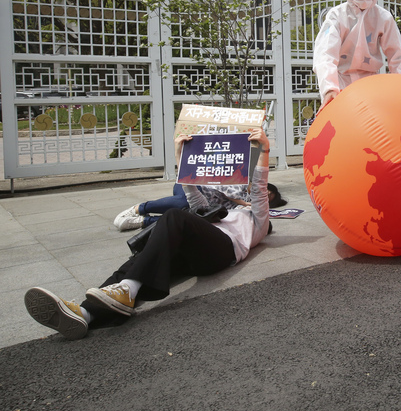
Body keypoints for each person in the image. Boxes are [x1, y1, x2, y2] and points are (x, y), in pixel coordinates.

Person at [24, 129, 273, 340]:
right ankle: (84, 314)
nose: (245, 193)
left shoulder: (258, 220)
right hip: (195, 250)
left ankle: (125, 291)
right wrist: (182, 155)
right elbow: (194, 200)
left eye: (250, 192)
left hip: (223, 251)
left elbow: (260, 190)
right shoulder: (218, 210)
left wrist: (263, 150)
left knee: (175, 215)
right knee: (141, 258)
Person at [313, 0, 401, 107]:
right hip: (340, 86)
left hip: (371, 88)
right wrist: (329, 88)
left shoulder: (383, 17)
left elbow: (399, 55)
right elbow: (325, 53)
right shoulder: (337, 16)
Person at [113, 179, 287, 231]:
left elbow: (235, 212)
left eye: (268, 199)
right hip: (193, 187)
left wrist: (246, 208)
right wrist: (241, 201)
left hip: (204, 206)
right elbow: (222, 185)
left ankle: (146, 222)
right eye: (268, 192)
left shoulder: (250, 201)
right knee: (184, 202)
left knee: (195, 218)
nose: (265, 195)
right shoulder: (242, 180)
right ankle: (138, 209)